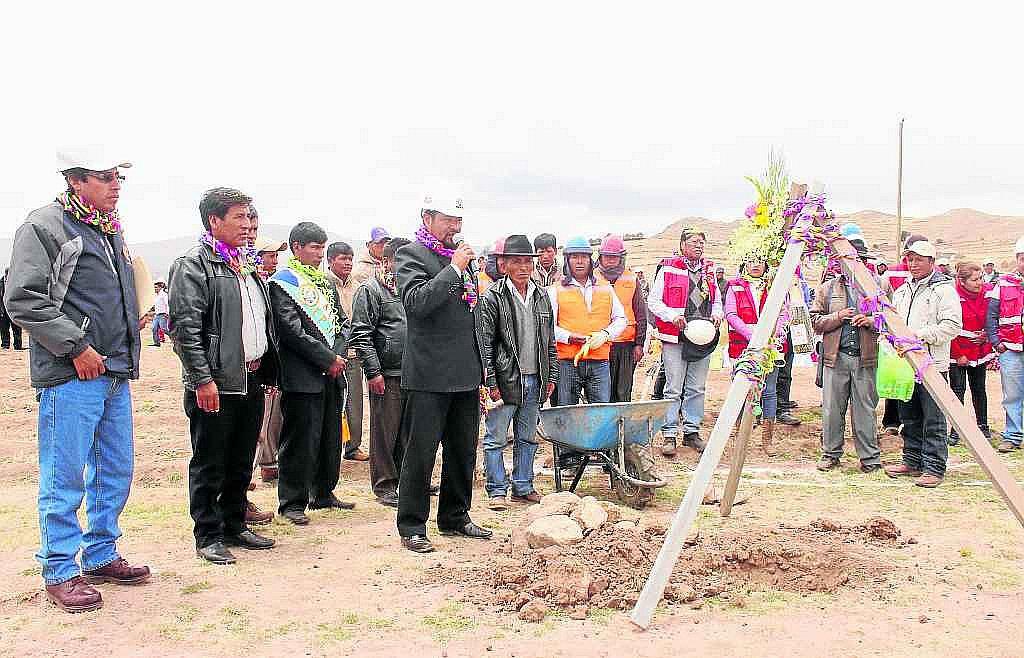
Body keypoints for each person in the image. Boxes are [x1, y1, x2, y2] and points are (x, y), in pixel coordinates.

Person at [5, 148, 147, 612]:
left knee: (114, 471)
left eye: (118, 177)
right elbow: (22, 299)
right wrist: (76, 346)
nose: (116, 185)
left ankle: (101, 553)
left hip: (114, 372)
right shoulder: (45, 226)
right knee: (64, 476)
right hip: (72, 373)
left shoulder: (109, 230)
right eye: (105, 177)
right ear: (75, 180)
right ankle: (60, 569)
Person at [169, 187, 280, 564]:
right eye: (239, 218)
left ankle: (235, 523)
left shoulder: (245, 264)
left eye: (250, 218)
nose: (248, 225)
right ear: (214, 221)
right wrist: (202, 379)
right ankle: (208, 534)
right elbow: (185, 329)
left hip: (249, 378)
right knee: (210, 460)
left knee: (240, 457)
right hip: (215, 382)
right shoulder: (193, 265)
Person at [395, 194, 491, 554]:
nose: (455, 227)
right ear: (427, 216)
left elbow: (470, 312)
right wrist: (452, 269)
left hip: (465, 371)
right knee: (420, 452)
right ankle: (412, 525)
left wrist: (481, 367)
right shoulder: (411, 254)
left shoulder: (462, 259)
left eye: (459, 221)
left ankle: (455, 516)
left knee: (463, 449)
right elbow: (416, 304)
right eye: (448, 219)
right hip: (428, 373)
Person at [270, 222, 354, 525]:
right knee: (300, 438)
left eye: (322, 247)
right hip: (302, 373)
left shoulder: (324, 284)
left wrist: (339, 354)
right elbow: (290, 332)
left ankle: (323, 491)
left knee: (330, 436)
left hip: (332, 371)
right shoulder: (282, 284)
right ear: (297, 247)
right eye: (314, 247)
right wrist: (325, 357)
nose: (320, 254)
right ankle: (292, 501)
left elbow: (343, 323)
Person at [477, 235, 558, 510]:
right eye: (516, 262)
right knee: (496, 438)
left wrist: (552, 376)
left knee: (527, 437)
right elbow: (485, 343)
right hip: (506, 377)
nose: (523, 267)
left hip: (535, 378)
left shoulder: (542, 295)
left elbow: (550, 342)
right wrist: (491, 382)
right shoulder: (492, 297)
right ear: (504, 265)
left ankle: (523, 487)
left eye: (527, 262)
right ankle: (497, 490)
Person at [883, 240, 962, 487]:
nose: (913, 264)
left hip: (931, 364)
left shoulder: (944, 290)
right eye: (910, 259)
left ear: (932, 262)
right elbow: (893, 320)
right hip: (905, 363)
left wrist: (919, 336)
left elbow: (952, 326)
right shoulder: (902, 291)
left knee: (934, 419)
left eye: (919, 259)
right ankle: (912, 460)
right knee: (910, 415)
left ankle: (934, 467)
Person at [647, 227, 724, 455]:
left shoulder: (709, 271)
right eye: (693, 241)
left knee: (697, 387)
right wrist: (673, 316)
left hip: (702, 337)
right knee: (673, 387)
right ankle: (669, 434)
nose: (698, 245)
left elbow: (717, 300)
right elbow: (653, 302)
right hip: (675, 336)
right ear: (682, 245)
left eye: (701, 241)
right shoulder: (669, 268)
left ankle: (691, 432)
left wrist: (717, 313)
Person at [810, 237, 882, 472]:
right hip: (835, 358)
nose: (852, 264)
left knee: (865, 410)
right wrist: (838, 317)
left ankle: (870, 459)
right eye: (847, 260)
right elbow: (814, 321)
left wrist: (871, 321)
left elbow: (892, 321)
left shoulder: (878, 286)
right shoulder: (828, 287)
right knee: (832, 409)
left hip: (865, 357)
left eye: (856, 260)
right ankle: (830, 454)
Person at [350, 237, 410, 507]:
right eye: (401, 260)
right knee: (385, 432)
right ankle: (385, 485)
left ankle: (406, 481)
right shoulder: (371, 290)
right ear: (386, 261)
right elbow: (361, 333)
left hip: (414, 372)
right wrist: (373, 371)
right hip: (386, 372)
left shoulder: (411, 289)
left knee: (409, 432)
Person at [549, 236, 627, 407]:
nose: (579, 261)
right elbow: (548, 327)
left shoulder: (605, 288)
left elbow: (621, 319)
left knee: (600, 411)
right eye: (574, 257)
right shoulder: (556, 290)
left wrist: (605, 334)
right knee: (567, 411)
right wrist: (569, 337)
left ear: (590, 260)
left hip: (599, 361)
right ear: (567, 260)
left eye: (584, 257)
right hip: (568, 362)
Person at [724, 257, 790, 455]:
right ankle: (737, 435)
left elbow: (784, 312)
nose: (755, 264)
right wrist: (752, 335)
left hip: (770, 347)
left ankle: (767, 439)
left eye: (759, 261)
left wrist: (773, 334)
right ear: (744, 263)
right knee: (741, 389)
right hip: (743, 347)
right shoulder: (734, 286)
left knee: (769, 391)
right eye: (751, 261)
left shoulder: (776, 285)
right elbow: (731, 314)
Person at [879, 233, 928, 435]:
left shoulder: (936, 283)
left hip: (917, 340)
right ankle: (892, 420)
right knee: (897, 376)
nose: (913, 262)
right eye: (911, 257)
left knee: (908, 381)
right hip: (898, 335)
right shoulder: (890, 274)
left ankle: (899, 423)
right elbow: (884, 300)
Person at [326, 241, 369, 462]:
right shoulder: (323, 284)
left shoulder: (358, 286)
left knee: (355, 402)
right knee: (332, 402)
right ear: (331, 260)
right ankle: (331, 446)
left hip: (354, 353)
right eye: (343, 258)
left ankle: (352, 447)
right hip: (330, 355)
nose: (348, 263)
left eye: (350, 259)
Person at [252, 236, 288, 484]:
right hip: (257, 364)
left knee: (273, 418)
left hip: (273, 361)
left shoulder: (273, 284)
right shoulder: (254, 282)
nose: (274, 260)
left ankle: (268, 463)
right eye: (269, 255)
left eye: (276, 256)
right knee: (259, 422)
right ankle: (259, 466)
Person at [596, 235, 647, 403]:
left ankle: (620, 427)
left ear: (621, 257)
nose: (610, 260)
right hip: (600, 344)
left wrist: (639, 344)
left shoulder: (632, 279)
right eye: (607, 256)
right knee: (602, 392)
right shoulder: (592, 278)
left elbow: (640, 313)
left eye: (614, 256)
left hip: (626, 345)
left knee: (623, 391)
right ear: (600, 256)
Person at [985, 237, 1024, 452]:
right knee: (1012, 395)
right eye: (1023, 259)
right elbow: (991, 315)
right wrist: (996, 342)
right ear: (1017, 260)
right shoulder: (1003, 284)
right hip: (1010, 350)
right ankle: (1013, 435)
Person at [948, 262, 994, 446]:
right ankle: (956, 430)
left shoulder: (988, 294)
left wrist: (986, 335)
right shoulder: (953, 297)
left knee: (979, 389)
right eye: (975, 280)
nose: (979, 283)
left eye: (981, 278)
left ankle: (982, 426)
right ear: (962, 281)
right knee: (958, 391)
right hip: (957, 350)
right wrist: (958, 354)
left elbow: (993, 319)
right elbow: (949, 327)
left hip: (979, 351)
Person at [0, 268, 24, 350]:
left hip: (14, 309)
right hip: (3, 310)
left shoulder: (16, 282)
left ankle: (18, 346)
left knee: (16, 328)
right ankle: (5, 345)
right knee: (4, 328)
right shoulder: (0, 283)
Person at [150, 281, 170, 347]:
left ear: (160, 287)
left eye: (156, 287)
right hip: (157, 315)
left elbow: (167, 304)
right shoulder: (156, 296)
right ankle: (157, 343)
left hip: (163, 314)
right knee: (153, 328)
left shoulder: (164, 295)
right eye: (154, 288)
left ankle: (175, 338)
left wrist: (167, 313)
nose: (154, 289)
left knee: (164, 329)